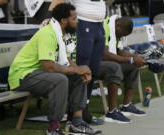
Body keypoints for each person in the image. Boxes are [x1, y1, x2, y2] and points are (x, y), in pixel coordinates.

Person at [8, 3, 101, 135]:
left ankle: (77, 123)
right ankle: (53, 128)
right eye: (74, 19)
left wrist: (81, 70)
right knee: (60, 80)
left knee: (77, 77)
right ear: (63, 20)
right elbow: (49, 66)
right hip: (22, 75)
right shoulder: (48, 33)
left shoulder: (61, 33)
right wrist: (77, 70)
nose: (77, 21)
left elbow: (66, 60)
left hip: (38, 74)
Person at [46, 0, 106, 125]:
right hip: (83, 21)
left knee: (93, 70)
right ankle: (73, 112)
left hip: (99, 23)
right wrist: (49, 17)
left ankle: (84, 107)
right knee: (81, 66)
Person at [100, 15, 146, 123]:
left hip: (106, 61)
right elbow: (105, 54)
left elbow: (120, 51)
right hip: (95, 61)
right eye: (122, 34)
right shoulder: (105, 27)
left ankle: (126, 105)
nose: (121, 36)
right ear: (118, 26)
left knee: (133, 66)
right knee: (115, 68)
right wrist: (130, 60)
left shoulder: (117, 29)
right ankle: (112, 112)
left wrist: (136, 58)